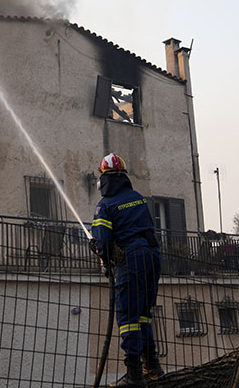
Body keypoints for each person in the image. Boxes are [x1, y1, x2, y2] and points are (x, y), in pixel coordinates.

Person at [91, 153, 165, 387]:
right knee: (143, 313)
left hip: (131, 259)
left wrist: (101, 254)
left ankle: (134, 376)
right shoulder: (137, 197)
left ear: (104, 179)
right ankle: (152, 367)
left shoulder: (104, 205)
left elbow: (102, 241)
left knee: (128, 317)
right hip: (152, 256)